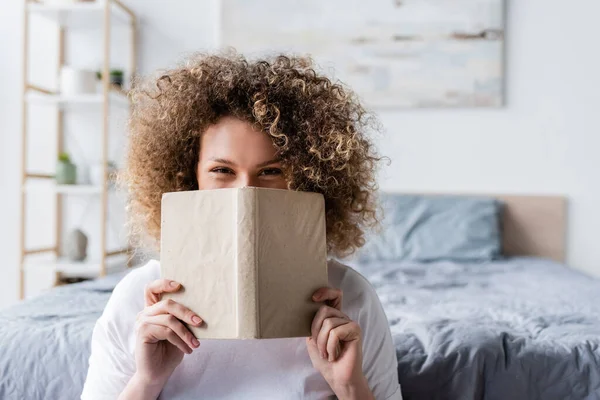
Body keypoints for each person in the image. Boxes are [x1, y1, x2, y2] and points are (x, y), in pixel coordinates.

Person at [81, 52, 402, 400]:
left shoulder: (351, 299)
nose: (245, 190)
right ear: (189, 177)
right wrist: (146, 381)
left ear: (307, 181)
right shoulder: (137, 299)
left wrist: (349, 386)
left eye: (271, 171)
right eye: (222, 171)